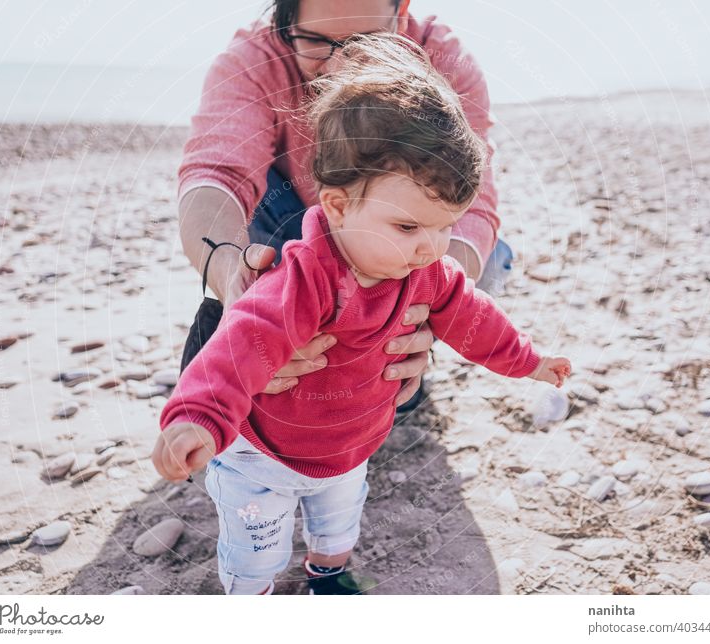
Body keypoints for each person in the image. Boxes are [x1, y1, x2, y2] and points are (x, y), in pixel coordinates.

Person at [153, 35, 572, 595]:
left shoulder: (425, 271)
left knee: (338, 524)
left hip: (349, 448)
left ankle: (327, 573)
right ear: (339, 205)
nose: (432, 247)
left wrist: (530, 362)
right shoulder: (303, 282)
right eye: (408, 227)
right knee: (258, 550)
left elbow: (476, 320)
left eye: (445, 227)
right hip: (265, 455)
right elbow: (238, 346)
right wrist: (195, 416)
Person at [178, 0, 511, 414]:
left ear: (401, 13)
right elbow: (215, 176)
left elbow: (474, 205)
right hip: (293, 222)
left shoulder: (447, 59)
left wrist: (427, 310)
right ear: (286, 21)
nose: (340, 67)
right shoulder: (253, 59)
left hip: (414, 237)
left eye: (366, 42)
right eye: (316, 42)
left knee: (488, 261)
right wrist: (230, 277)